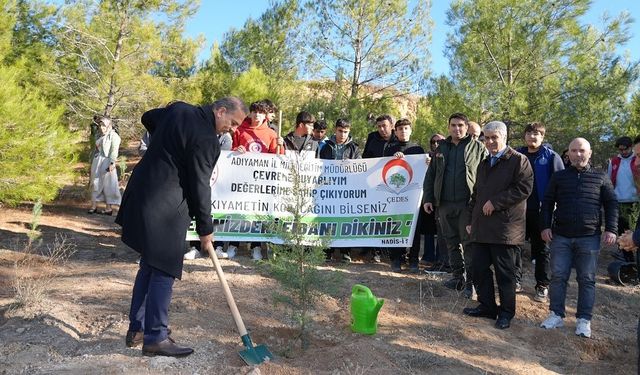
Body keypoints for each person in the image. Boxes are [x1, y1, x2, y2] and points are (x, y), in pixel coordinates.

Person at [116, 97, 247, 357]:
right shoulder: (207, 140)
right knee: (164, 269)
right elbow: (200, 187)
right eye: (232, 123)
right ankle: (156, 337)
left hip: (140, 194)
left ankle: (139, 328)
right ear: (220, 111)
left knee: (149, 265)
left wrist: (168, 143)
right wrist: (206, 229)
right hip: (166, 207)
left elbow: (148, 117)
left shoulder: (178, 110)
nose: (232, 130)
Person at [539, 138, 618, 338]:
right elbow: (547, 203)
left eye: (582, 150)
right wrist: (545, 226)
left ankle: (584, 320)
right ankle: (556, 314)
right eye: (573, 151)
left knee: (587, 279)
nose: (578, 154)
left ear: (589, 153)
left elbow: (611, 204)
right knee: (558, 277)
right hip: (561, 236)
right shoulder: (559, 177)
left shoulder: (601, 176)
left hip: (589, 237)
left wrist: (611, 229)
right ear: (568, 154)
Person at [463, 121, 533, 330]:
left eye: (495, 137)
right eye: (486, 138)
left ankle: (506, 312)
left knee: (505, 274)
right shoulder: (485, 162)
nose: (490, 141)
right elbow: (477, 194)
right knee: (478, 269)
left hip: (505, 229)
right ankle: (487, 306)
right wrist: (470, 220)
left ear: (504, 137)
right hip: (481, 228)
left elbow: (524, 188)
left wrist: (496, 202)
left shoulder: (519, 160)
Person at [423, 113, 487, 299]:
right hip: (444, 204)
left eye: (460, 125)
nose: (457, 129)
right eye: (453, 125)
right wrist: (428, 198)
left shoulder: (478, 148)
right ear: (449, 127)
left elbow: (485, 176)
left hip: (467, 205)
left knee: (468, 244)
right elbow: (431, 175)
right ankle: (457, 277)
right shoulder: (441, 148)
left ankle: (471, 284)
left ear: (466, 127)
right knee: (451, 243)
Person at [515, 122, 564, 302]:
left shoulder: (551, 157)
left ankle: (542, 285)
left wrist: (556, 207)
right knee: (515, 246)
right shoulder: (516, 155)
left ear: (542, 137)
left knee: (542, 250)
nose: (532, 136)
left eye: (536, 133)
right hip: (519, 209)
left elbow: (561, 183)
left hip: (542, 211)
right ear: (524, 136)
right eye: (529, 133)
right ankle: (515, 280)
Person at [233, 100, 285, 260]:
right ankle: (234, 245)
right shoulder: (239, 131)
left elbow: (278, 159)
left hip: (261, 182)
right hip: (242, 179)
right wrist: (236, 150)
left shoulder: (271, 134)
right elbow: (230, 153)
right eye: (254, 111)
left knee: (258, 214)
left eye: (261, 112)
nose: (257, 115)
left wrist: (281, 146)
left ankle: (256, 247)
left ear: (266, 116)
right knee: (239, 211)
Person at [382, 119, 426, 272]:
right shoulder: (389, 148)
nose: (403, 131)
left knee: (415, 227)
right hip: (395, 197)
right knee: (396, 226)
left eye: (406, 128)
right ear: (396, 131)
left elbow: (424, 170)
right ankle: (396, 259)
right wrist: (393, 158)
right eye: (400, 129)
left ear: (411, 130)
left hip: (413, 197)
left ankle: (413, 260)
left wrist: (428, 161)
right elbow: (382, 168)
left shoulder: (418, 149)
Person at [320, 118, 361, 262]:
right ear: (335, 130)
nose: (342, 134)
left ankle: (345, 252)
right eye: (340, 131)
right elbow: (320, 166)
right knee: (328, 219)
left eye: (345, 131)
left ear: (349, 131)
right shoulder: (326, 146)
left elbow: (360, 168)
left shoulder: (354, 148)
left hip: (347, 190)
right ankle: (327, 251)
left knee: (345, 219)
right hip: (329, 189)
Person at [421, 134, 449, 272]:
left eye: (440, 141)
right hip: (429, 199)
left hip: (446, 200)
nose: (436, 144)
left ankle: (443, 261)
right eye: (433, 141)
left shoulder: (447, 154)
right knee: (430, 231)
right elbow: (428, 178)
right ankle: (430, 257)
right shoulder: (425, 157)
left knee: (444, 233)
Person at [608, 136, 639, 245]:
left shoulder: (637, 160)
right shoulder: (614, 161)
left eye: (626, 149)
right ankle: (627, 259)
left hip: (636, 202)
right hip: (619, 201)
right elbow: (609, 181)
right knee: (622, 231)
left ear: (631, 147)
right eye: (621, 150)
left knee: (636, 231)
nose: (624, 152)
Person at [88, 115, 122, 215]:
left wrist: (112, 162)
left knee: (109, 184)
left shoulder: (113, 136)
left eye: (104, 126)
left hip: (107, 161)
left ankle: (109, 208)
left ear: (109, 126)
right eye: (100, 126)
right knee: (95, 182)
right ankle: (94, 206)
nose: (102, 128)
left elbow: (114, 150)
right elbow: (96, 149)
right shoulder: (99, 135)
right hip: (98, 160)